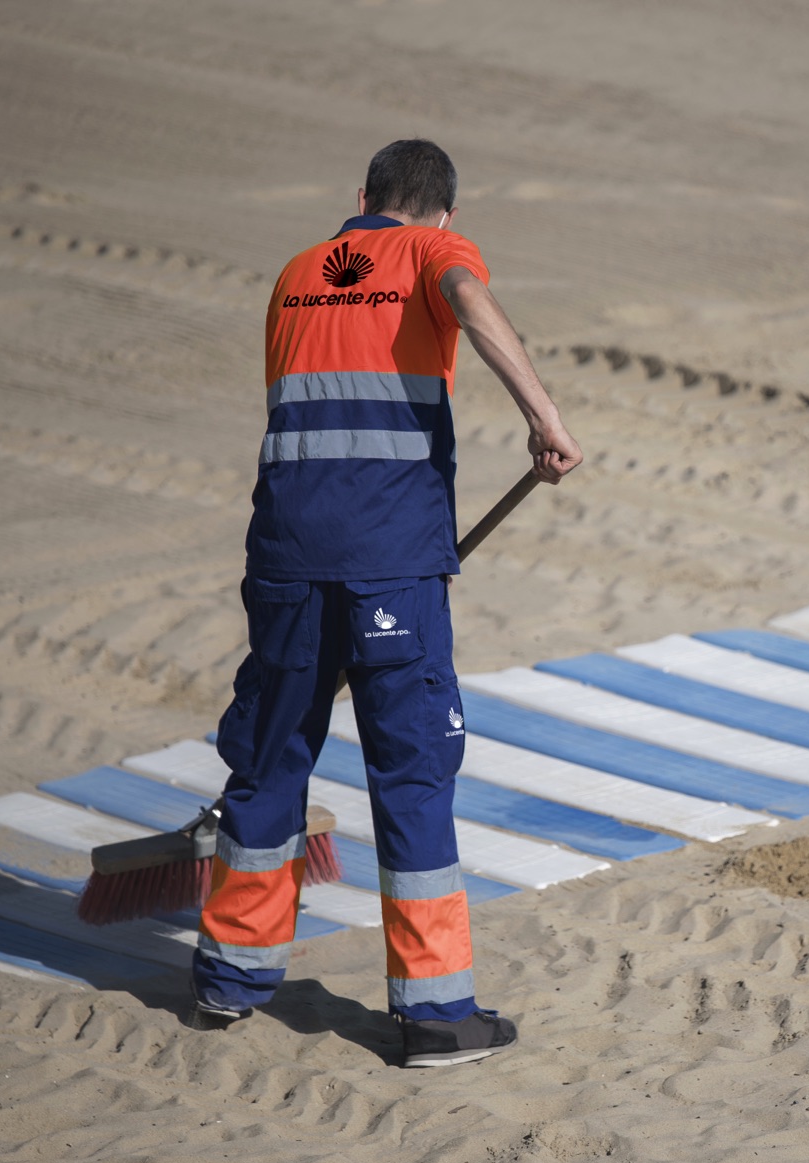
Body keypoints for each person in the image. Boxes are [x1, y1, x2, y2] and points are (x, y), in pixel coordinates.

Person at [191, 139, 581, 1067]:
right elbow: (470, 300)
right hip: (390, 566)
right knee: (412, 771)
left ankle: (229, 978)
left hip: (286, 555)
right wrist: (543, 415)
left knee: (271, 755)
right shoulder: (433, 251)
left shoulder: (297, 272)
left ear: (360, 195)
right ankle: (436, 1014)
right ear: (444, 212)